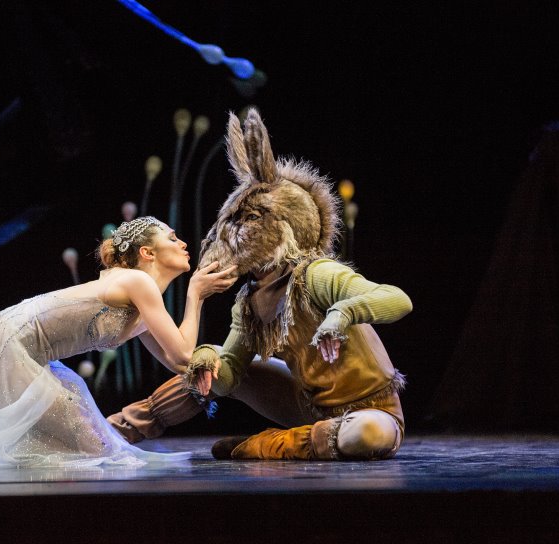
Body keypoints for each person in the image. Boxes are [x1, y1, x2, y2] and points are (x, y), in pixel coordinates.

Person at [107, 109, 412, 461]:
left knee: (367, 433)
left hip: (371, 410)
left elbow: (397, 299)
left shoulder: (317, 274)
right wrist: (207, 358)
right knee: (212, 365)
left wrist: (340, 315)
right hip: (311, 407)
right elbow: (228, 375)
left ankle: (265, 445)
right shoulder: (249, 301)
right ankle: (116, 430)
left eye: (249, 219)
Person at [0, 216, 236, 470]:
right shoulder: (137, 282)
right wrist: (195, 294)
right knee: (97, 450)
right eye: (173, 238)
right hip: (8, 344)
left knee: (84, 448)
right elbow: (183, 352)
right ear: (147, 252)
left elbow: (179, 362)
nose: (183, 243)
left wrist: (199, 322)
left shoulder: (140, 297)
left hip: (9, 344)